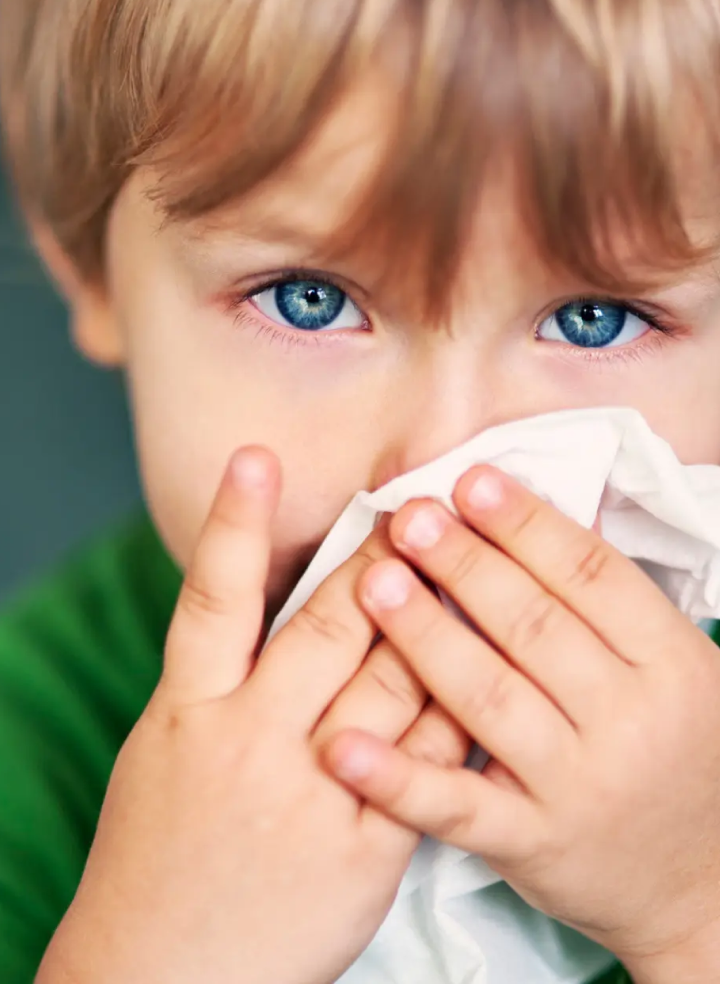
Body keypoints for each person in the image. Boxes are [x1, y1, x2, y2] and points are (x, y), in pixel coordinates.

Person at [1, 0, 720, 981]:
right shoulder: (31, 750)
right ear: (89, 266)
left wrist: (695, 909)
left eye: (594, 319)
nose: (441, 480)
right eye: (312, 298)